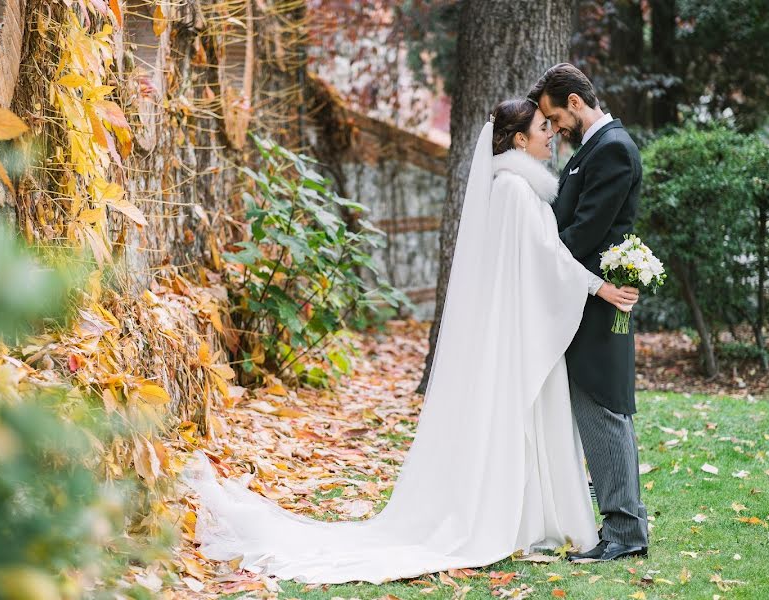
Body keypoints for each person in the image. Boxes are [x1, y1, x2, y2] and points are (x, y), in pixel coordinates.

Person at [182, 98, 639, 584]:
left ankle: (533, 518)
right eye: (542, 128)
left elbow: (540, 256)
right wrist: (598, 285)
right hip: (518, 336)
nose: (552, 134)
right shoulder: (513, 190)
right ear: (520, 140)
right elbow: (546, 256)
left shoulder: (519, 188)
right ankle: (515, 519)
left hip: (523, 333)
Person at [529, 63, 649, 562]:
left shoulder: (613, 150)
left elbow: (584, 233)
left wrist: (535, 262)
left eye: (555, 118)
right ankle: (622, 525)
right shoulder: (593, 151)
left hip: (599, 301)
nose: (554, 130)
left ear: (575, 103)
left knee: (603, 408)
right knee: (594, 408)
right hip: (584, 296)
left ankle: (625, 531)